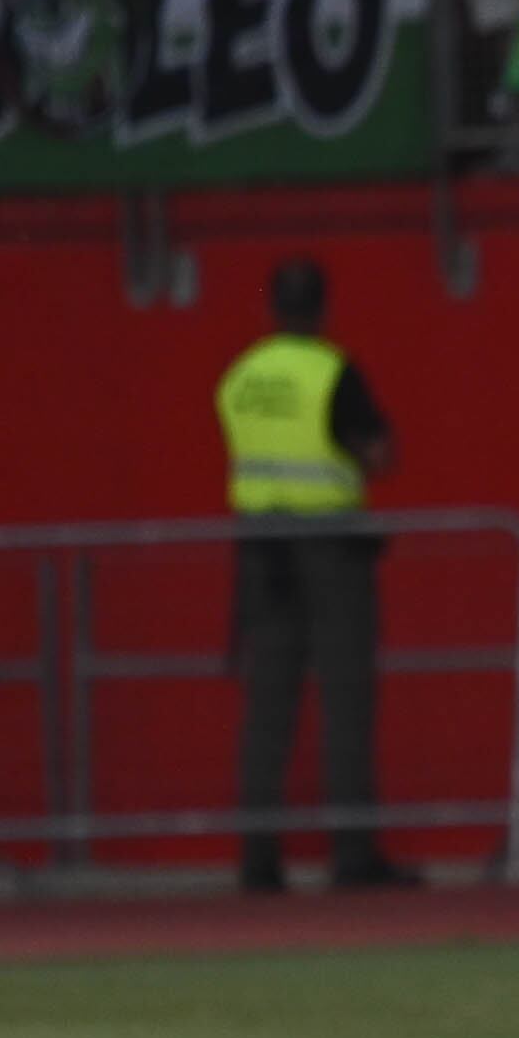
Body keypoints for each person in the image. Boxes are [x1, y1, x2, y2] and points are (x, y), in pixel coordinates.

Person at [217, 258, 416, 896]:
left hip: (259, 552)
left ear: (271, 304)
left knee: (267, 707)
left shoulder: (242, 377)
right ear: (322, 306)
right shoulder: (331, 371)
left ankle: (257, 860)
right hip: (329, 551)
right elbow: (380, 453)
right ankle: (352, 853)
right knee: (345, 699)